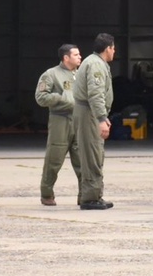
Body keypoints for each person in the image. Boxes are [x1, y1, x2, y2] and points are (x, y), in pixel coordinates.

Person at [72, 33, 116, 210]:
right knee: (92, 154)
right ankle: (90, 198)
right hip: (89, 113)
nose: (115, 51)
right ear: (107, 49)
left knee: (92, 152)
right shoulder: (96, 65)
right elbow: (96, 94)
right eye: (113, 48)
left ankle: (90, 194)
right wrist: (101, 118)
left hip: (88, 112)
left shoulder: (93, 62)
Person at [34, 44, 82, 206]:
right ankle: (47, 194)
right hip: (60, 120)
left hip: (80, 120)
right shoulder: (51, 74)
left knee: (83, 160)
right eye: (76, 55)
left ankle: (86, 195)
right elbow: (41, 97)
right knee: (54, 160)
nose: (80, 57)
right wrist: (62, 99)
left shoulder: (82, 74)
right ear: (66, 57)